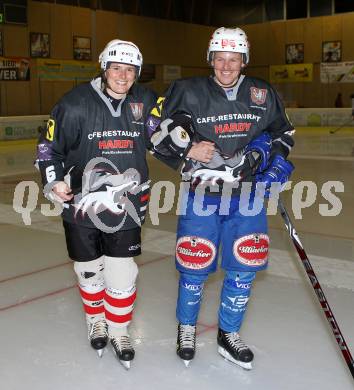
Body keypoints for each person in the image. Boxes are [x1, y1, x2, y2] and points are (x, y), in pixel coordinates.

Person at [147, 27, 295, 369]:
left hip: (247, 197)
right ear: (210, 60)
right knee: (195, 266)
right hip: (202, 195)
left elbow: (282, 133)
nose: (226, 67)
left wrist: (274, 165)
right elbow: (152, 131)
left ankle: (228, 334)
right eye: (219, 59)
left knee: (244, 268)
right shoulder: (186, 91)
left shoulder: (263, 92)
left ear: (244, 61)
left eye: (233, 59)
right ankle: (187, 327)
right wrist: (186, 149)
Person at [35, 39, 158, 369]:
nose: (123, 76)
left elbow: (169, 136)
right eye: (116, 68)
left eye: (130, 70)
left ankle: (119, 330)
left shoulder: (146, 101)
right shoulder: (73, 105)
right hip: (80, 207)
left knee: (122, 273)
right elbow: (49, 150)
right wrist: (53, 181)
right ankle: (96, 320)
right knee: (88, 271)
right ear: (104, 68)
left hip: (126, 207)